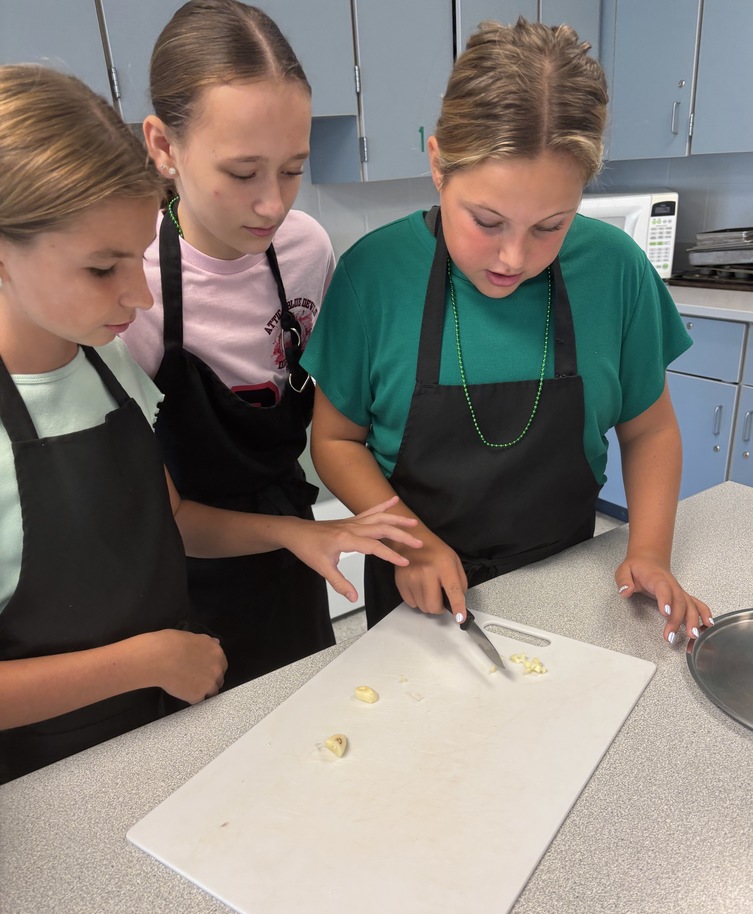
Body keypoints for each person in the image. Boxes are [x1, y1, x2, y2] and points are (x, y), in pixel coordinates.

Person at [0, 64, 419, 782]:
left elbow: (174, 519)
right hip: (47, 781)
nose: (137, 294)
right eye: (104, 268)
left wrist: (302, 533)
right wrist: (147, 659)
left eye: (136, 257)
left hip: (156, 729)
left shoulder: (103, 363)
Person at [302, 18, 714, 644]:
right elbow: (335, 439)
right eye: (487, 221)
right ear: (439, 165)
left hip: (568, 576)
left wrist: (650, 551)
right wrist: (410, 544)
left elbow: (650, 426)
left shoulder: (616, 270)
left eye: (551, 225)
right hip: (420, 586)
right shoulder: (374, 276)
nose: (514, 259)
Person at [120, 0, 344, 687]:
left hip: (292, 553)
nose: (272, 205)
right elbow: (156, 513)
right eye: (243, 173)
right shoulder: (130, 289)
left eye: (293, 169)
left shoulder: (307, 252)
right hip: (184, 572)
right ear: (163, 146)